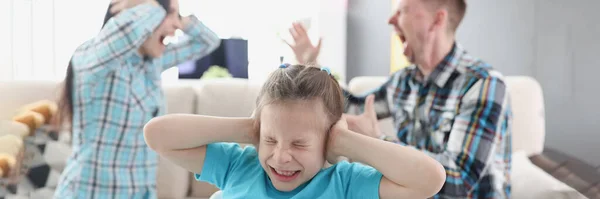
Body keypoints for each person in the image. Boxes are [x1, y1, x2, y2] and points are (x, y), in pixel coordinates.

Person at [286, 0, 512, 198]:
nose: (389, 20)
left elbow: (458, 182)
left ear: (437, 20)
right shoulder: (404, 81)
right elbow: (353, 107)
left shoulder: (483, 84)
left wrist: (377, 141)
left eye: (402, 11)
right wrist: (312, 65)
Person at [143, 64, 446, 199]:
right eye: (271, 140)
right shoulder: (239, 166)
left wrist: (345, 142)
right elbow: (156, 134)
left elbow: (431, 179)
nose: (281, 156)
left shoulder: (345, 183)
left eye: (300, 144)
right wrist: (249, 128)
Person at [54, 0, 220, 198]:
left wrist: (178, 16)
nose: (176, 25)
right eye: (169, 14)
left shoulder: (151, 62)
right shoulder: (93, 57)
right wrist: (151, 5)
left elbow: (208, 41)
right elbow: (127, 31)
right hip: (90, 191)